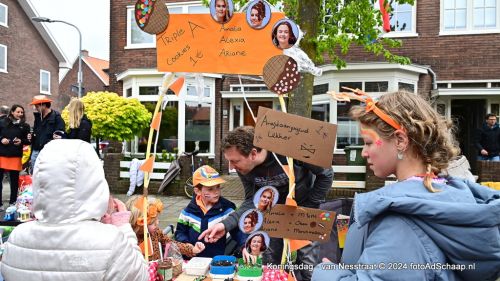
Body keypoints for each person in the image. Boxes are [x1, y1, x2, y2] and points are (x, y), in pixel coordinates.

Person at [312, 90, 500, 281]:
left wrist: (325, 273)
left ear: (400, 141)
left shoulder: (400, 219)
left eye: (369, 143)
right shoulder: (447, 198)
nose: (364, 153)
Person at [0, 139, 149, 280]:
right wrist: (123, 227)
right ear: (94, 181)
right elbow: (141, 276)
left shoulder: (17, 238)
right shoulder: (110, 241)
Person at [199, 126, 333, 280]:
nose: (231, 167)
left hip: (303, 206)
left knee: (308, 265)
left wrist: (310, 205)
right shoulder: (244, 169)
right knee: (270, 262)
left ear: (253, 154)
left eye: (234, 161)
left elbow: (326, 174)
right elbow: (251, 201)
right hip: (273, 212)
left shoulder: (288, 148)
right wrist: (225, 225)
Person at [176, 165, 241, 258]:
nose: (216, 192)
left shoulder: (228, 209)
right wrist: (188, 246)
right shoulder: (188, 212)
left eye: (218, 187)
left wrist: (244, 246)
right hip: (193, 261)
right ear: (197, 191)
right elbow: (180, 233)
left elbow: (238, 231)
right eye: (210, 189)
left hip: (216, 260)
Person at [125, 195, 205, 261]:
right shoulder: (130, 241)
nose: (157, 223)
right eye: (152, 222)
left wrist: (192, 249)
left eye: (157, 219)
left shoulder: (156, 232)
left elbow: (172, 244)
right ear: (139, 224)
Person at [0, 105, 30, 210]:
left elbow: (28, 140)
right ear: (12, 112)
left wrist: (21, 141)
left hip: (15, 156)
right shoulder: (2, 122)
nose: (20, 114)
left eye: (22, 112)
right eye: (18, 112)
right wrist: (1, 139)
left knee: (14, 181)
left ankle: (13, 203)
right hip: (2, 155)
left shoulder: (25, 126)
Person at [29, 95, 65, 171]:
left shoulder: (57, 118)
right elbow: (37, 133)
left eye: (37, 106)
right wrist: (31, 136)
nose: (35, 108)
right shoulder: (38, 118)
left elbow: (60, 136)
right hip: (35, 151)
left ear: (44, 105)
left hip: (48, 153)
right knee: (35, 176)